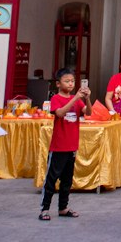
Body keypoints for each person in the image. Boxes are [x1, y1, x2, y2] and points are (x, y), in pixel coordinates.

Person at [39, 68, 91, 220]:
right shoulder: (56, 98)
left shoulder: (78, 99)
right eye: (67, 81)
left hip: (72, 145)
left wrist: (87, 98)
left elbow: (88, 113)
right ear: (58, 83)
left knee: (67, 180)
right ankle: (45, 208)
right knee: (52, 178)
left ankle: (63, 207)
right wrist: (74, 99)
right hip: (59, 146)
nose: (70, 84)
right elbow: (60, 113)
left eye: (72, 81)